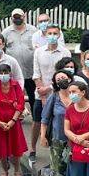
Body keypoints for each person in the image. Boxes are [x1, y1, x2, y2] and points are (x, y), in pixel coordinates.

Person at [32, 24, 71, 160]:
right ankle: (33, 149)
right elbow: (36, 74)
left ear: (59, 35)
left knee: (58, 121)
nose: (52, 36)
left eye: (55, 33)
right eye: (50, 33)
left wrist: (48, 89)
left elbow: (65, 74)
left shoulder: (65, 52)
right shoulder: (38, 52)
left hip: (59, 93)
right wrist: (42, 94)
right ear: (45, 35)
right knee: (38, 121)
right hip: (40, 93)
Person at [0, 64, 28, 176]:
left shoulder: (16, 85)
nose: (3, 75)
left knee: (16, 148)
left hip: (14, 121)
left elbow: (21, 104)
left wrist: (13, 120)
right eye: (1, 72)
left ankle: (17, 171)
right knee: (2, 148)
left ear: (10, 73)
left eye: (5, 72)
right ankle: (4, 170)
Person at [3, 8, 39, 127]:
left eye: (19, 16)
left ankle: (36, 119)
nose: (17, 19)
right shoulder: (6, 32)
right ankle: (14, 118)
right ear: (12, 18)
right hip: (13, 73)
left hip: (30, 70)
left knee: (33, 95)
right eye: (15, 17)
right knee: (13, 97)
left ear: (24, 16)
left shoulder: (33, 31)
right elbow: (2, 49)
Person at [40, 71, 74, 176]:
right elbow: (45, 119)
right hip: (58, 139)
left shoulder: (76, 96)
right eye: (58, 79)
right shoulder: (53, 97)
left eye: (63, 78)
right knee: (58, 167)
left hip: (76, 139)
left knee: (73, 166)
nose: (61, 81)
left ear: (70, 79)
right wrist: (43, 136)